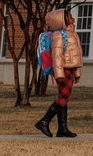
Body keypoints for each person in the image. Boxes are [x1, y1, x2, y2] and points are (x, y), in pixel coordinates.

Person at [34, 8, 82, 138]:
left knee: (64, 98)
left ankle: (62, 129)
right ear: (62, 20)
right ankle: (44, 121)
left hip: (70, 69)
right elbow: (57, 56)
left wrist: (77, 72)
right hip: (63, 70)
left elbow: (77, 56)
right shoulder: (59, 35)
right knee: (64, 97)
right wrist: (59, 74)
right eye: (70, 17)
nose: (73, 18)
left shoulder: (73, 34)